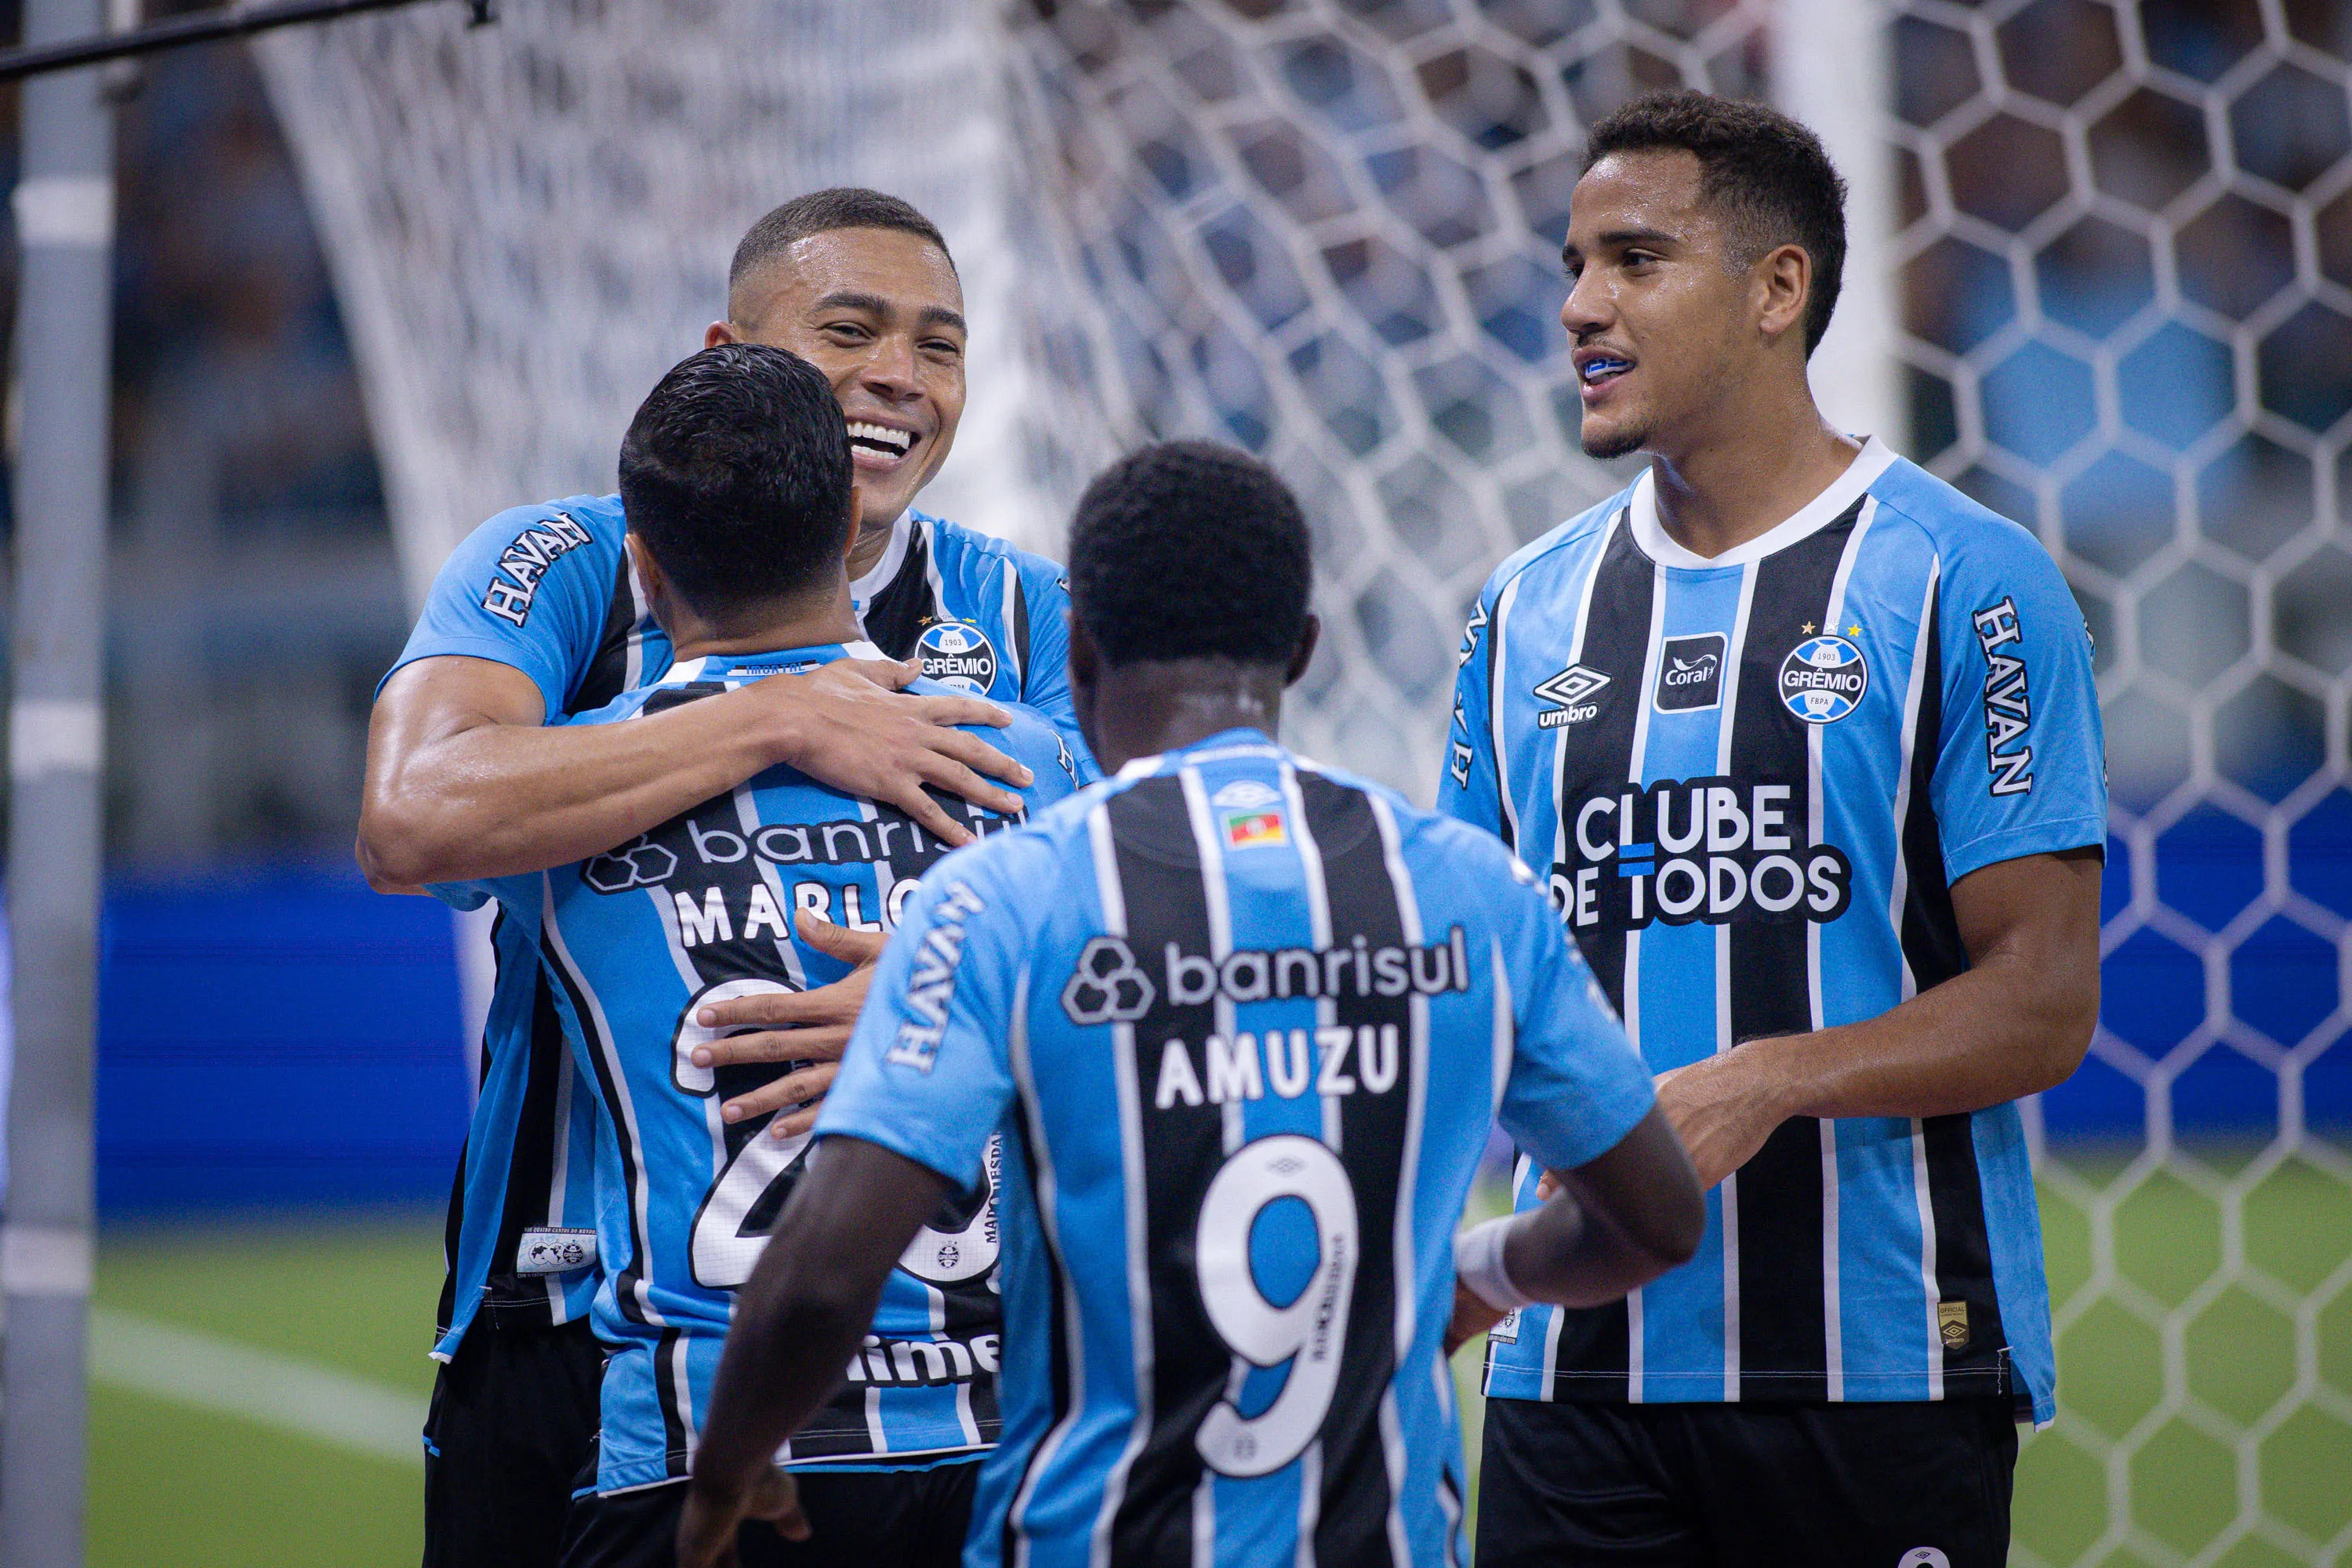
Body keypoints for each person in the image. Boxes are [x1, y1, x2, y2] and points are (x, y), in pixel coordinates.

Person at [667, 440, 1707, 1568]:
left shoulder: (1007, 898)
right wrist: (1485, 1272)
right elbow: (1660, 1219)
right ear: (1301, 651)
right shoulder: (1468, 888)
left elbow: (822, 1278)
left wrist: (726, 1471)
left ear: (1077, 655)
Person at [366, 189, 1084, 1568]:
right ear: (726, 358)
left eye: (938, 345)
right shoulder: (572, 565)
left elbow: (1144, 934)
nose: (900, 375)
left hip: (956, 1349)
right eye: (851, 331)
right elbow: (411, 819)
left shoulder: (1023, 611)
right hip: (561, 1323)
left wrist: (949, 1001)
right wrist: (778, 716)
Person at [1443, 90, 2105, 1566]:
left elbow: (2045, 998)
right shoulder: (1522, 611)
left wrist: (1769, 1080)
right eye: (1574, 265)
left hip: (1880, 1364)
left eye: (1635, 259)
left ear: (1777, 288)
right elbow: (1463, 980)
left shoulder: (1969, 582)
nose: (1581, 305)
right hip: (1575, 1375)